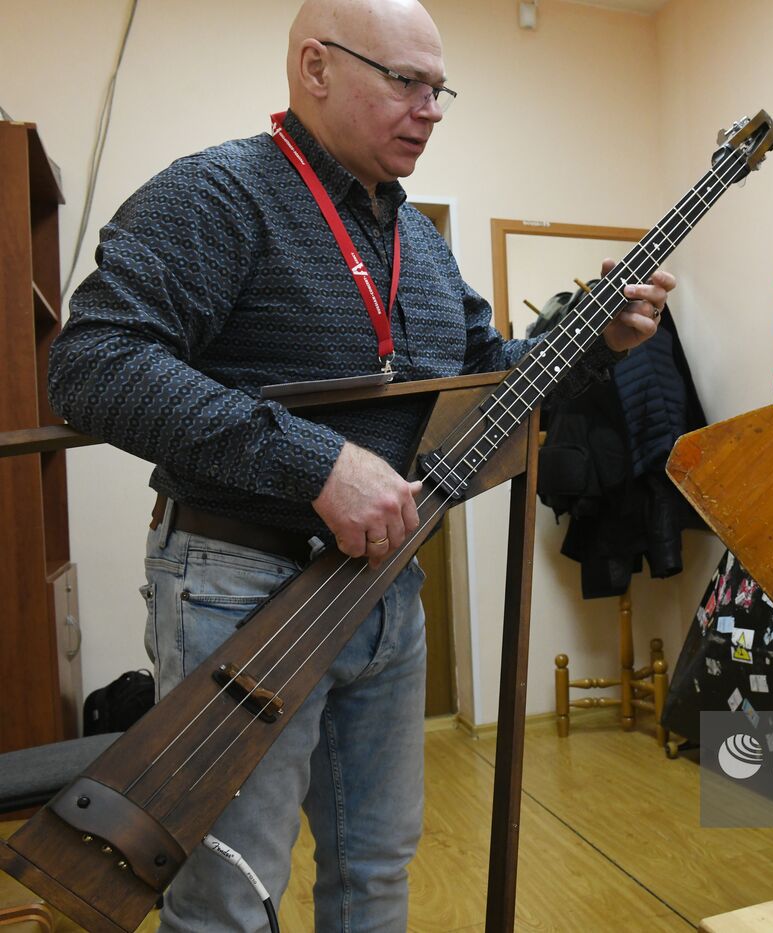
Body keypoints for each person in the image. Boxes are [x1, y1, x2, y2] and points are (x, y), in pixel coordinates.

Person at [47, 0, 673, 928]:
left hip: (384, 592)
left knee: (378, 870)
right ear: (315, 68)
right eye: (406, 82)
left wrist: (594, 344)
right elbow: (91, 365)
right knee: (229, 893)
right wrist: (316, 465)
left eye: (439, 87)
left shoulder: (415, 240)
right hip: (236, 586)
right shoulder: (216, 195)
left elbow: (488, 373)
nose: (430, 108)